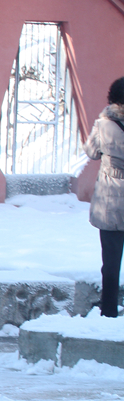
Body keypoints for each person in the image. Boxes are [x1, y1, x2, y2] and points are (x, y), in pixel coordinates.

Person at [84, 76, 124, 317]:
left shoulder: (104, 124)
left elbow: (91, 152)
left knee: (110, 262)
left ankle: (108, 309)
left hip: (110, 202)